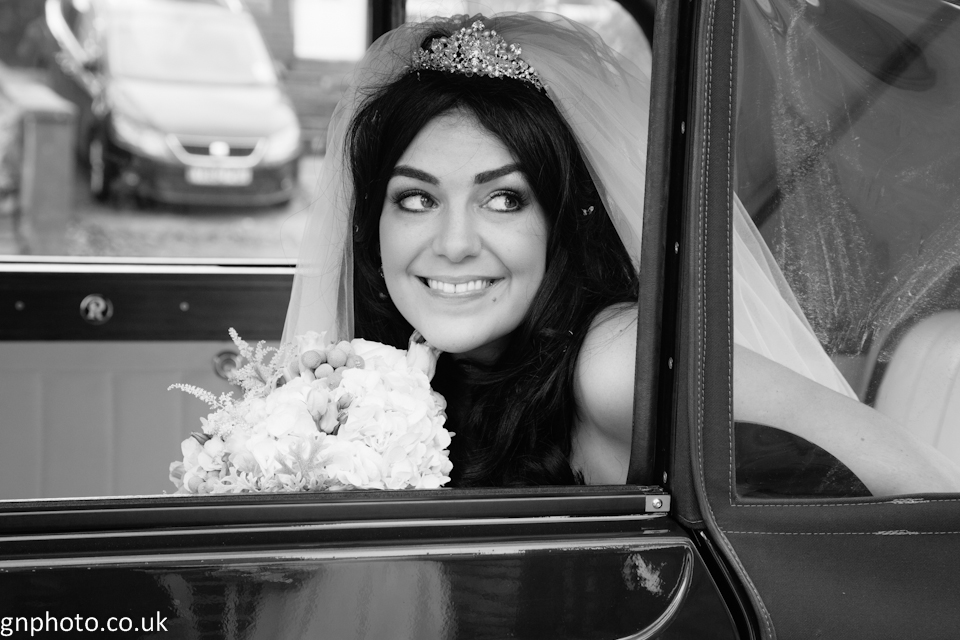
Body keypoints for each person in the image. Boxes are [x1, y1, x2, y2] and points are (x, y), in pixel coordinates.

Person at [283, 12, 960, 494]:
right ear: (374, 224)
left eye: (505, 199)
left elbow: (925, 491)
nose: (454, 244)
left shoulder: (617, 360)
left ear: (560, 221)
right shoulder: (402, 367)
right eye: (417, 199)